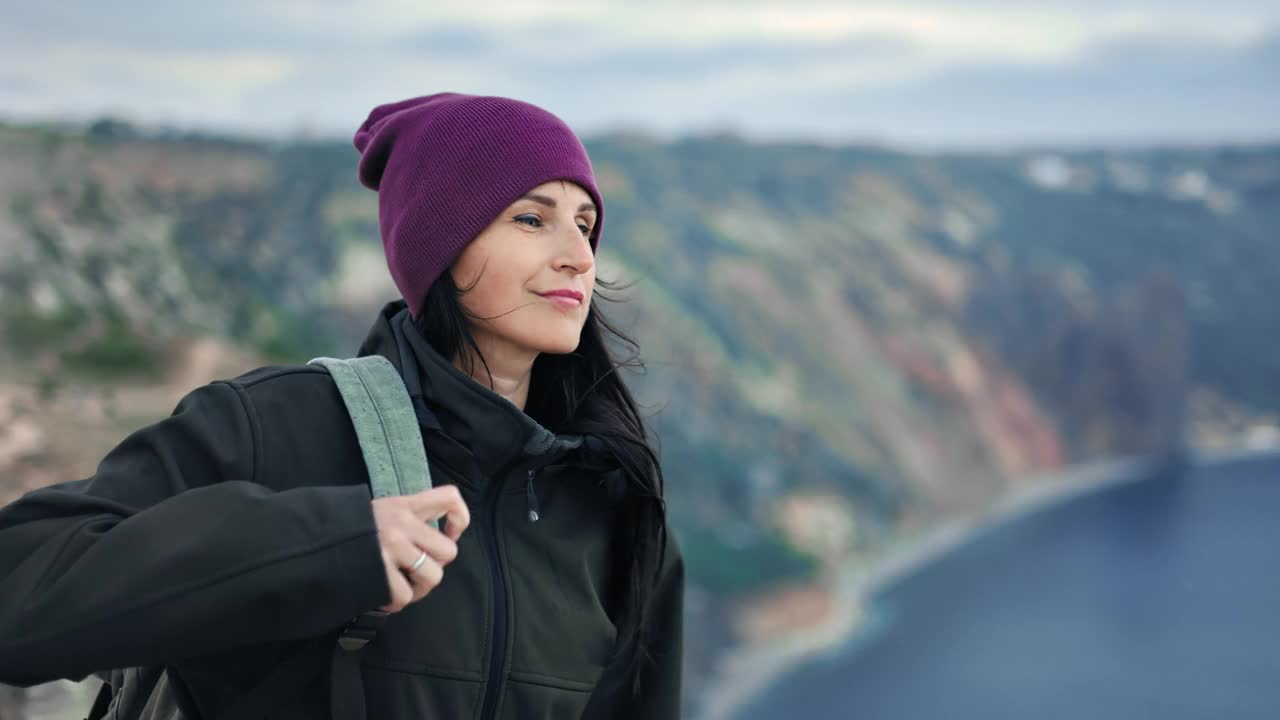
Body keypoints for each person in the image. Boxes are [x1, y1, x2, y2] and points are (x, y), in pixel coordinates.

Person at [0, 92, 684, 719]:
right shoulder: (271, 427)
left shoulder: (614, 502)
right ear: (439, 245)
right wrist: (322, 545)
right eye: (531, 218)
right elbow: (19, 587)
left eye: (587, 224)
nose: (579, 257)